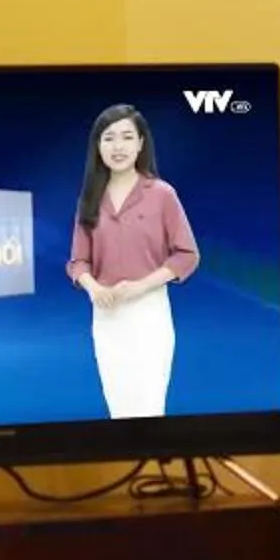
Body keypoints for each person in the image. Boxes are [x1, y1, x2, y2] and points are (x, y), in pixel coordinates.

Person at [66, 104, 198, 418]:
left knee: (150, 408)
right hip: (106, 316)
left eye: (127, 137)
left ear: (141, 143)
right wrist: (92, 287)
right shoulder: (89, 199)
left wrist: (140, 286)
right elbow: (78, 261)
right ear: (98, 146)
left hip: (149, 313)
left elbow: (187, 255)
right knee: (119, 411)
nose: (118, 146)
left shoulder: (162, 194)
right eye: (109, 138)